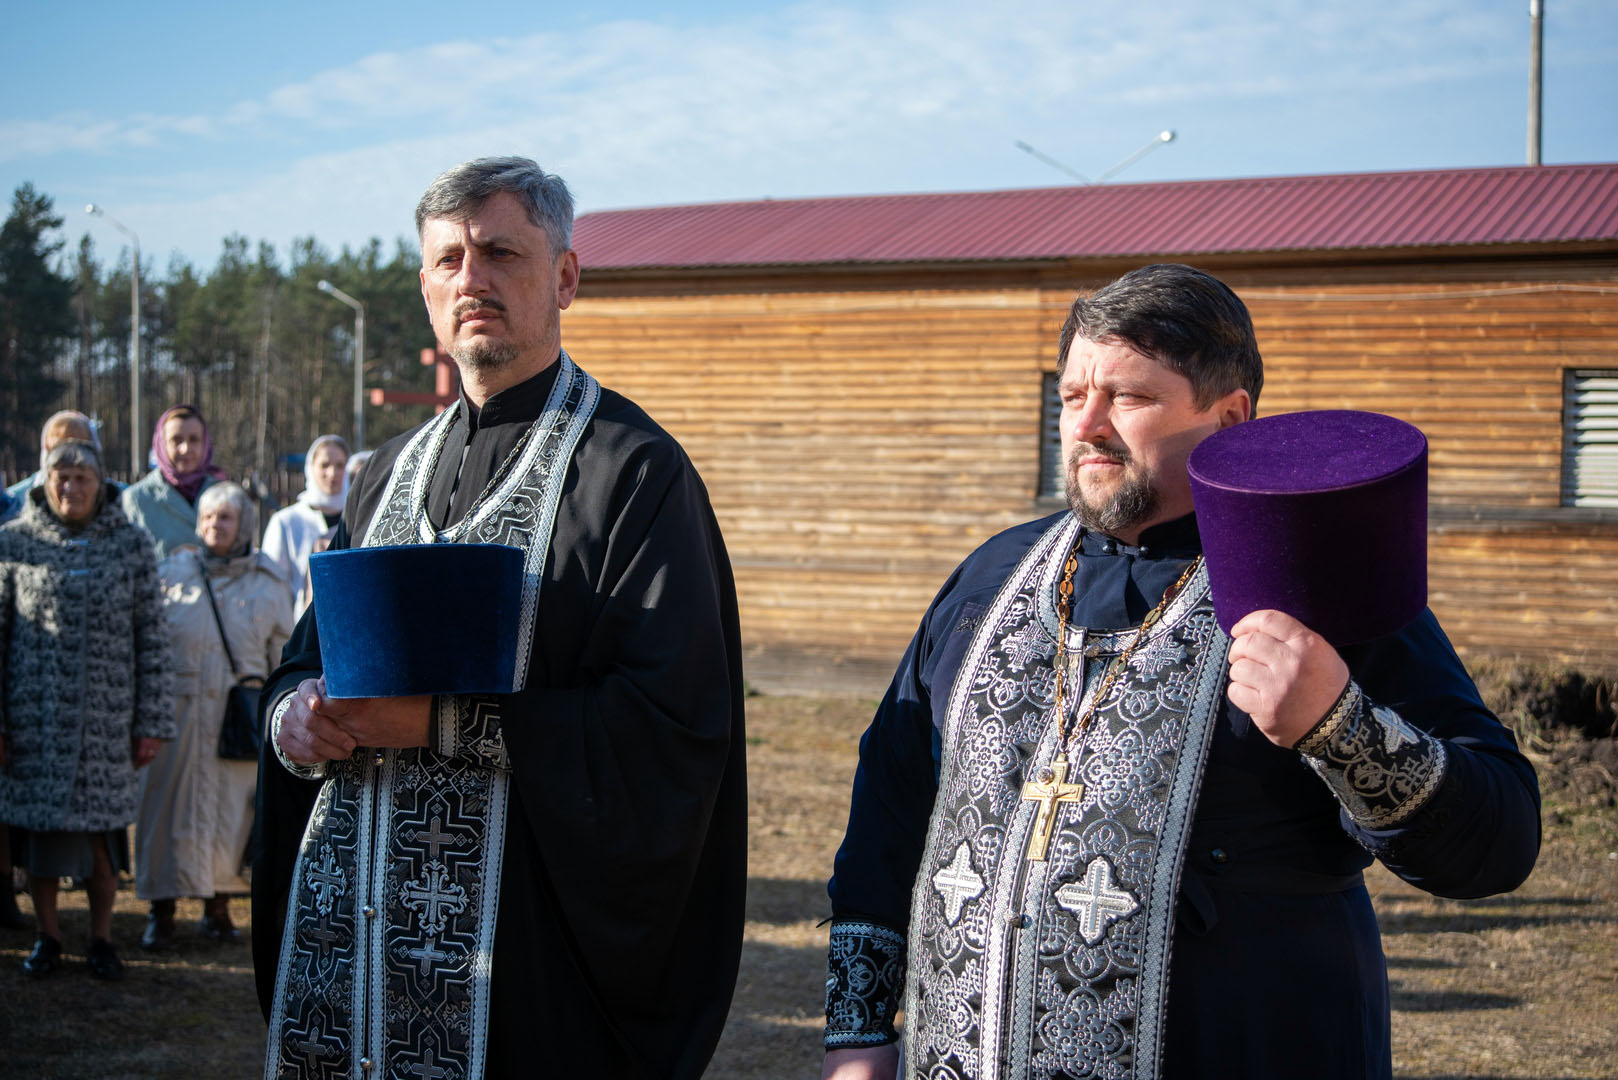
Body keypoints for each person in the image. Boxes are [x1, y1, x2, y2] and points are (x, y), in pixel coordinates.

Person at [820, 264, 1541, 1080]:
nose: (1086, 425)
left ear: (1230, 417)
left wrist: (1339, 724)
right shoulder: (989, 579)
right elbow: (887, 814)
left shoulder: (1314, 582)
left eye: (1128, 397)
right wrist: (856, 1028)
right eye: (1071, 396)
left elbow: (1501, 839)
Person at [254, 156, 747, 1080]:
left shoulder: (635, 474)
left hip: (520, 964)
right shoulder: (382, 475)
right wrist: (293, 717)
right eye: (447, 260)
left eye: (499, 253)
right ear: (425, 292)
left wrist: (440, 725)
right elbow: (304, 661)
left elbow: (672, 730)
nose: (470, 279)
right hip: (356, 959)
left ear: (565, 277)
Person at [0, 440, 174, 980]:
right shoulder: (14, 543)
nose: (71, 487)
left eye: (82, 477)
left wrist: (151, 722)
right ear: (44, 481)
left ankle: (101, 937)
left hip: (108, 722)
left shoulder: (131, 543)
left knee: (103, 840)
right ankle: (48, 936)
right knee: (42, 839)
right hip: (34, 721)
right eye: (61, 476)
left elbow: (153, 639)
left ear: (101, 484)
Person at [135, 482, 293, 950]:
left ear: (243, 524)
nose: (214, 526)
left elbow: (282, 658)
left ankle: (219, 910)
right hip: (178, 720)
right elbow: (149, 646)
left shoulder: (268, 582)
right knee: (166, 813)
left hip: (236, 722)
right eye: (206, 517)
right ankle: (161, 910)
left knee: (230, 814)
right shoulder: (171, 575)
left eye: (225, 517)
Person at [121, 404, 228, 561]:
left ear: (205, 443)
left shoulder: (224, 494)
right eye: (176, 440)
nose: (185, 449)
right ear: (161, 444)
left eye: (194, 440)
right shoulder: (137, 499)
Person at [260, 434, 349, 615]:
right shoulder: (286, 522)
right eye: (324, 465)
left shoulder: (355, 521)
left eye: (340, 465)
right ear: (310, 468)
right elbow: (271, 586)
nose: (332, 473)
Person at [4, 409, 103, 503]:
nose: (71, 489)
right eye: (60, 449)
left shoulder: (109, 496)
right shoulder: (18, 499)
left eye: (78, 448)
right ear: (47, 449)